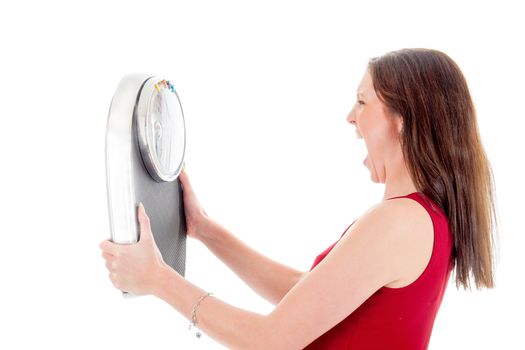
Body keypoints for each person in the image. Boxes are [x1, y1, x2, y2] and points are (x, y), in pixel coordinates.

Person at [100, 48, 498, 349]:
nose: (350, 116)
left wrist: (158, 280)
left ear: (403, 118)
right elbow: (306, 293)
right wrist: (205, 230)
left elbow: (272, 340)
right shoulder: (422, 219)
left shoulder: (400, 223)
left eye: (363, 101)